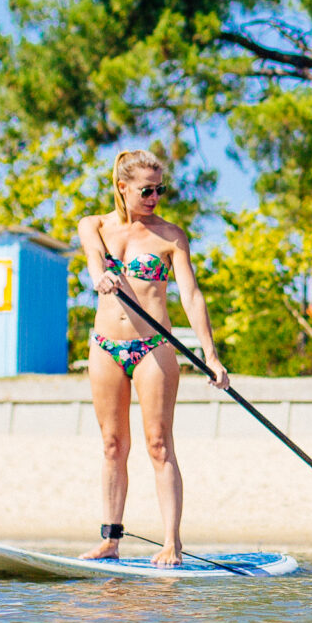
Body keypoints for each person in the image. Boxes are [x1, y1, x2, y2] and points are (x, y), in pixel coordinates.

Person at [77, 150, 230, 567]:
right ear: (122, 187)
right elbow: (93, 256)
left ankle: (170, 543)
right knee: (112, 445)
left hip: (154, 349)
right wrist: (99, 277)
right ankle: (110, 539)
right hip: (106, 346)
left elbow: (192, 296)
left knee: (159, 444)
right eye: (146, 190)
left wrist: (211, 356)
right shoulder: (94, 225)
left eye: (160, 189)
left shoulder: (170, 236)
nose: (154, 197)